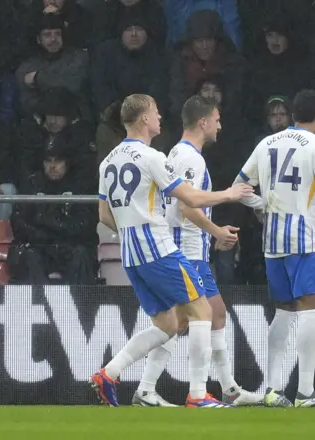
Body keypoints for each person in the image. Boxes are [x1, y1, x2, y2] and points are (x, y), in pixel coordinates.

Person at [90, 94, 253, 408]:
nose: (160, 118)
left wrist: (131, 228)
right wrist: (229, 194)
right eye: (155, 112)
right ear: (143, 119)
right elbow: (189, 199)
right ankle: (197, 395)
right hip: (160, 249)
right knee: (201, 311)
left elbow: (104, 215)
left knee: (168, 324)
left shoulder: (108, 161)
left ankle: (109, 373)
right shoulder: (151, 157)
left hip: (131, 255)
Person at [235, 90, 315, 407]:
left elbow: (239, 186)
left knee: (283, 314)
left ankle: (272, 390)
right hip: (306, 240)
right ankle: (304, 392)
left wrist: (262, 206)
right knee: (310, 313)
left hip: (273, 241)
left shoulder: (266, 143)